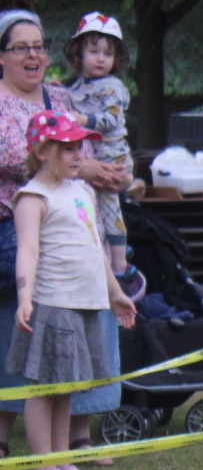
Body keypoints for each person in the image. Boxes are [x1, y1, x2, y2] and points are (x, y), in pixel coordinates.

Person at [0, 11, 132, 460]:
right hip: (16, 231)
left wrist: (102, 170)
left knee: (80, 343)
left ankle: (71, 447)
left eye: (39, 45)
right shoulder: (32, 192)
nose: (33, 54)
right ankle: (39, 456)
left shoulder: (60, 96)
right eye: (21, 47)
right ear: (2, 57)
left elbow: (90, 152)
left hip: (76, 224)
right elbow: (18, 163)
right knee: (41, 361)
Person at [7, 111, 136, 470]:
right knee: (45, 387)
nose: (79, 154)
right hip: (53, 302)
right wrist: (24, 296)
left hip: (86, 303)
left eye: (81, 145)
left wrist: (115, 293)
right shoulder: (33, 197)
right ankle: (41, 468)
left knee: (67, 387)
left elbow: (96, 247)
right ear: (43, 151)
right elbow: (27, 251)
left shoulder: (81, 191)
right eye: (68, 147)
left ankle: (62, 463)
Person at [61, 14, 132, 276]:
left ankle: (120, 263)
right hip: (93, 155)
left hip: (111, 155)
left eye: (108, 53)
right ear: (79, 53)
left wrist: (83, 120)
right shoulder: (78, 86)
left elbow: (110, 118)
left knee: (110, 203)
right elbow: (69, 102)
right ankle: (108, 248)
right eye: (94, 51)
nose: (101, 58)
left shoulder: (113, 87)